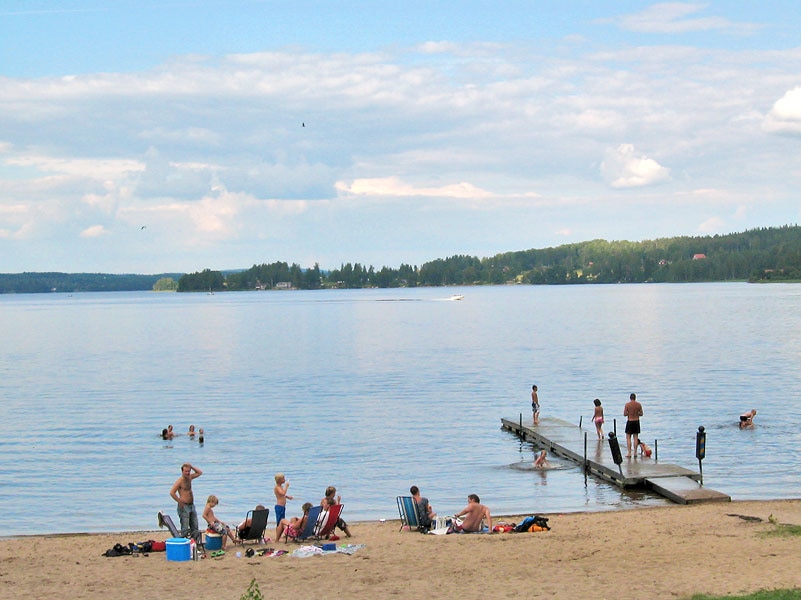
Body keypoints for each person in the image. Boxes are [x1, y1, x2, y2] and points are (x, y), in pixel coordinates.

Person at [169, 463, 202, 541]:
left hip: (191, 505)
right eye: (185, 471)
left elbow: (199, 472)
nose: (187, 473)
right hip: (184, 506)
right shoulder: (180, 481)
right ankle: (184, 543)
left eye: (188, 471)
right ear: (182, 471)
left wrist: (191, 466)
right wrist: (179, 501)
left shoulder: (190, 477)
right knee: (185, 528)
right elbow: (172, 492)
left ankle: (195, 543)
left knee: (195, 526)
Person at [274, 473, 293, 539]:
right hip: (279, 507)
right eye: (283, 479)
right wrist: (286, 486)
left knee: (282, 521)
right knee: (279, 522)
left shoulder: (281, 487)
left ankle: (282, 534)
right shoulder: (277, 487)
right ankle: (277, 536)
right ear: (279, 480)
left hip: (282, 507)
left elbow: (282, 495)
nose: (284, 480)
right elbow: (282, 493)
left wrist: (287, 497)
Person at [623, 393, 643, 458]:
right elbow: (641, 414)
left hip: (630, 421)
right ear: (635, 398)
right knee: (635, 437)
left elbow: (625, 414)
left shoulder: (627, 405)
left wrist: (629, 413)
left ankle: (629, 453)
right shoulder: (639, 404)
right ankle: (635, 452)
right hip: (636, 421)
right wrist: (637, 413)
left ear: (630, 398)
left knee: (628, 437)